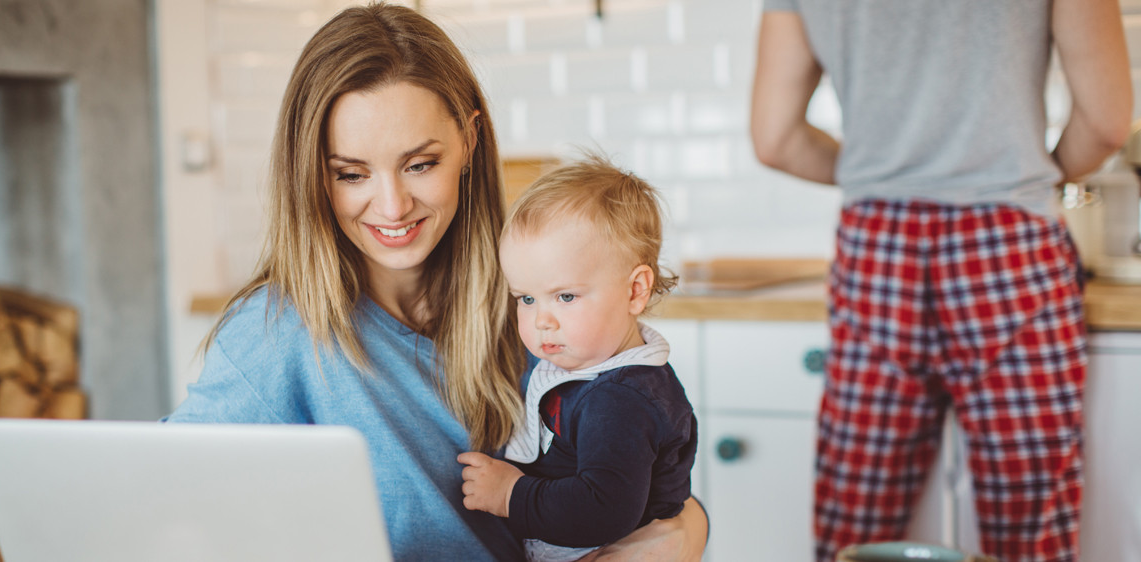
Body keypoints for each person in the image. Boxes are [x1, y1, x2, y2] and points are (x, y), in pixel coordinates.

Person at [163, 3, 707, 561]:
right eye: (351, 174)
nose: (393, 206)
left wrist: (688, 529)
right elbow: (164, 502)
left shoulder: (532, 303)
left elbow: (639, 472)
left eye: (419, 164)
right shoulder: (277, 333)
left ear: (470, 140)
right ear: (311, 174)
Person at [750, 1, 1132, 561]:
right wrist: (1030, 172)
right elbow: (1105, 122)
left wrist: (881, 174)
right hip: (1007, 243)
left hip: (878, 246)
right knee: (1028, 520)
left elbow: (774, 138)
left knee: (857, 516)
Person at [456, 156, 697, 562]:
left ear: (635, 291)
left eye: (565, 296)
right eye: (526, 299)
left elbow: (604, 509)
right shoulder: (589, 369)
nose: (542, 321)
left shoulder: (621, 399)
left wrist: (510, 494)